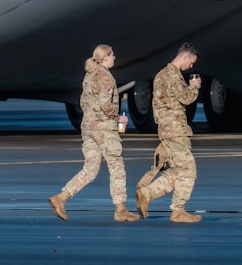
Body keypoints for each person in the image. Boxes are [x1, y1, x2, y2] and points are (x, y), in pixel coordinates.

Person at [49, 44, 139, 222]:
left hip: (88, 127)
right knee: (116, 167)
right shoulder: (106, 77)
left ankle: (62, 198)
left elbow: (83, 101)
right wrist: (117, 119)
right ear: (105, 57)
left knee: (90, 169)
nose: (114, 57)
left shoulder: (89, 75)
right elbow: (107, 105)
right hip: (104, 129)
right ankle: (120, 209)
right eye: (112, 55)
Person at [135, 43, 202, 223]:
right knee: (188, 170)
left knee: (176, 172)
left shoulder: (160, 75)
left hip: (165, 129)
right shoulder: (174, 76)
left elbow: (156, 104)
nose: (191, 67)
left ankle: (146, 194)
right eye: (191, 62)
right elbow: (185, 98)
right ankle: (178, 210)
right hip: (176, 130)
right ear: (185, 57)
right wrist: (194, 86)